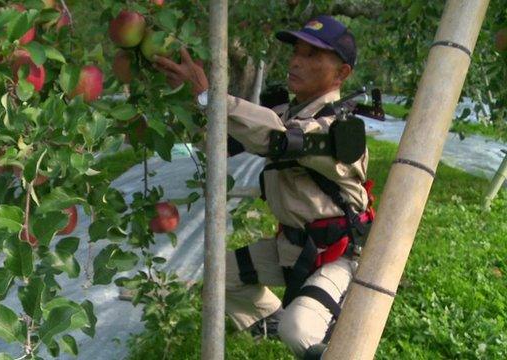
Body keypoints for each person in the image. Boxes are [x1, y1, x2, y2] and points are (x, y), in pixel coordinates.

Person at [154, 15, 374, 359]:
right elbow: (224, 143)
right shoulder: (284, 111)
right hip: (292, 249)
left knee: (299, 331)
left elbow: (282, 140)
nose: (296, 61)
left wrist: (211, 98)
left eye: (313, 55)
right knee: (218, 277)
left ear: (342, 73)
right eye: (296, 52)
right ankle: (277, 321)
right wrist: (187, 105)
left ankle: (322, 334)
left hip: (337, 254)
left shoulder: (340, 129)